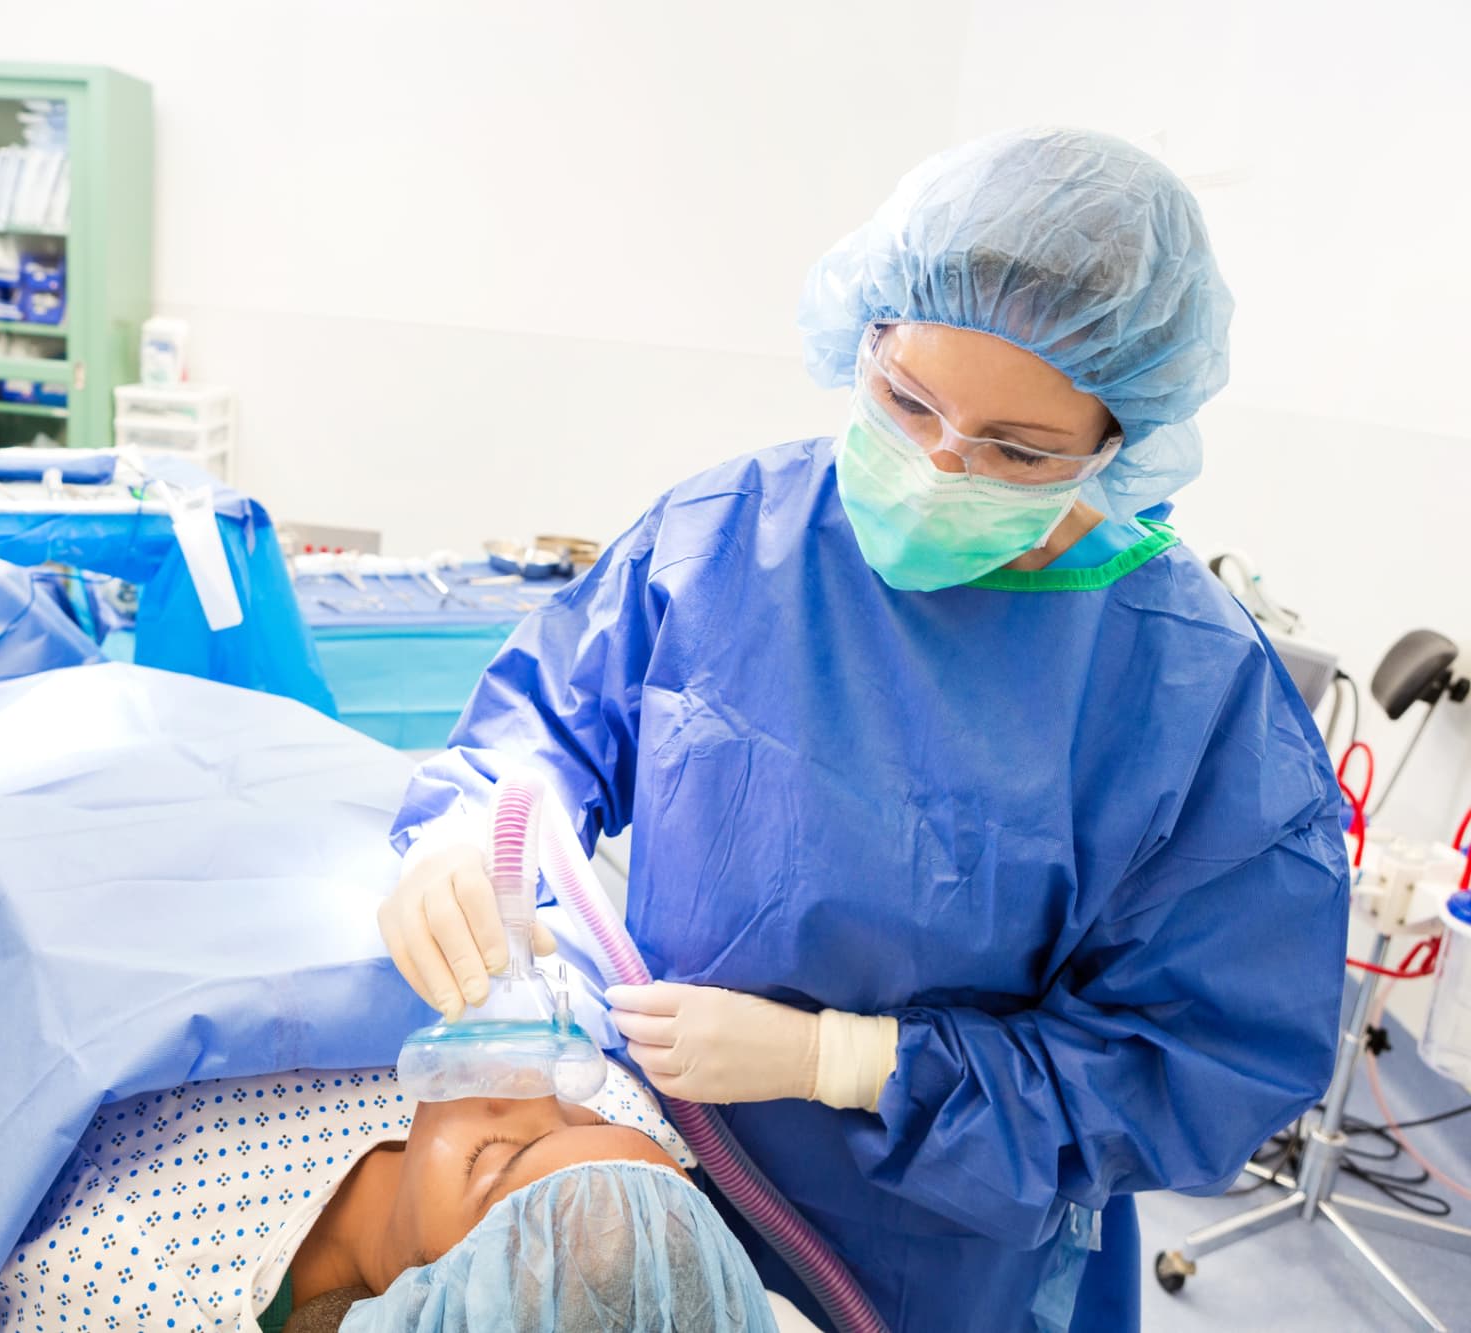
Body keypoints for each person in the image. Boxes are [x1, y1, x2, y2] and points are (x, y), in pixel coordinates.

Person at [377, 128, 1350, 1332]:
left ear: (1122, 443)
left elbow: (1196, 1066)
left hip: (949, 1269)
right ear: (865, 333)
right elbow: (548, 724)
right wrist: (471, 832)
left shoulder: (1191, 694)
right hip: (652, 1190)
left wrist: (849, 1062)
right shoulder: (731, 534)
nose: (939, 465)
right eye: (905, 401)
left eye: (1014, 451)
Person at [0, 1062, 786, 1332]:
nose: (531, 1077)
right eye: (588, 1107)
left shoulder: (132, 1279)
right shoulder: (637, 1132)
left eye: (504, 1155)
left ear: (431, 1299)